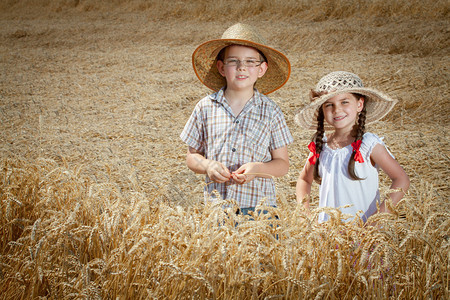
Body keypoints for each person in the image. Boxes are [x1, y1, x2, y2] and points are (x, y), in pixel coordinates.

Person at [180, 23, 293, 215]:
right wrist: (208, 166)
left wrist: (257, 169)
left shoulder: (271, 111)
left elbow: (282, 164)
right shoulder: (205, 107)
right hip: (217, 208)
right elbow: (192, 157)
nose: (242, 68)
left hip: (260, 209)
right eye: (233, 61)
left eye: (250, 62)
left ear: (262, 69)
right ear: (221, 68)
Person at [295, 71, 409, 223]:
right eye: (329, 105)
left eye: (344, 102)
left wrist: (377, 218)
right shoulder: (320, 146)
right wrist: (305, 214)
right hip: (327, 235)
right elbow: (304, 179)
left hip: (363, 235)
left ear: (359, 104)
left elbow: (401, 179)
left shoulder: (369, 144)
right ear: (322, 110)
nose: (337, 110)